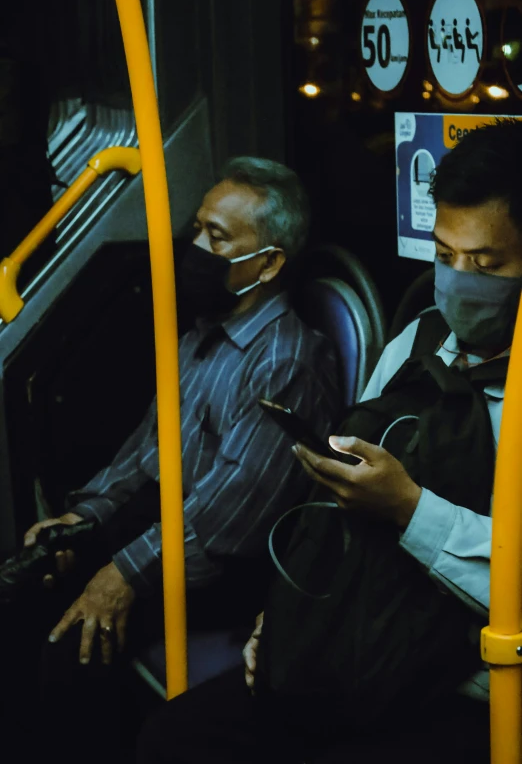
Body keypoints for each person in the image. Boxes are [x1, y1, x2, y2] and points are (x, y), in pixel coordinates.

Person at [136, 119, 522, 764]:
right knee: (175, 739)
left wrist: (408, 509)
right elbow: (331, 530)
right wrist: (280, 627)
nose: (457, 281)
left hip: (473, 682)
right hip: (363, 640)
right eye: (445, 255)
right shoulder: (416, 344)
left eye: (485, 264)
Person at [0, 157, 341, 763]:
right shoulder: (197, 336)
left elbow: (230, 519)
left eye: (219, 237)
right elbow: (145, 456)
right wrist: (88, 522)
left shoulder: (287, 362)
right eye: (198, 230)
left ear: (269, 262)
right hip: (173, 533)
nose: (198, 247)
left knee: (70, 644)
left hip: (229, 565)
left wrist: (122, 574)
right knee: (28, 591)